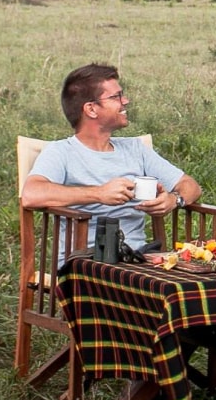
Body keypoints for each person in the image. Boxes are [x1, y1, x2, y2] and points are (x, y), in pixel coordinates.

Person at [21, 64, 203, 260]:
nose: (125, 101)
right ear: (91, 109)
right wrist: (98, 194)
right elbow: (32, 194)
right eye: (116, 97)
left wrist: (173, 200)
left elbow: (191, 186)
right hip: (86, 262)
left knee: (194, 285)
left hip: (138, 259)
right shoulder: (61, 152)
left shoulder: (135, 149)